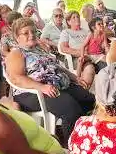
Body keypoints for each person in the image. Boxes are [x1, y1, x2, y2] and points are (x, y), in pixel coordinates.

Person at [6, 17, 95, 145]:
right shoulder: (16, 53)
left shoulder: (39, 49)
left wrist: (75, 77)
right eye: (26, 33)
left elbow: (56, 66)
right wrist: (41, 87)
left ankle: (82, 136)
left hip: (57, 86)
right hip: (31, 93)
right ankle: (69, 147)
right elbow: (17, 78)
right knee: (70, 109)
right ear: (17, 37)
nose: (31, 35)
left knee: (90, 100)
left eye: (33, 31)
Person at [79, 17, 109, 90]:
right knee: (80, 60)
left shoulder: (103, 34)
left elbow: (105, 46)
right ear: (93, 27)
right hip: (90, 55)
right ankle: (78, 77)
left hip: (99, 55)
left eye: (102, 23)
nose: (102, 25)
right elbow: (83, 46)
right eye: (99, 24)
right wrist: (82, 55)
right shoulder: (90, 35)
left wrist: (108, 54)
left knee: (109, 61)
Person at [58, 10, 91, 77]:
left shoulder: (86, 31)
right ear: (68, 22)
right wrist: (80, 52)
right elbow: (63, 48)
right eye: (74, 17)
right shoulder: (66, 32)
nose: (77, 18)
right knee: (89, 65)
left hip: (89, 55)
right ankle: (81, 83)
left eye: (78, 17)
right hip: (73, 59)